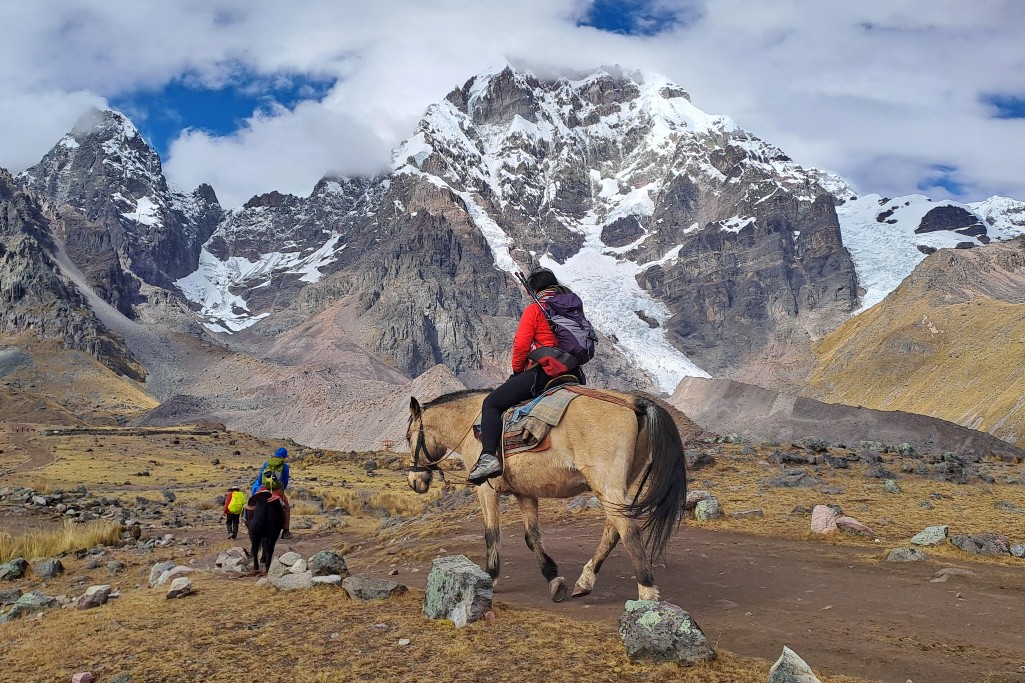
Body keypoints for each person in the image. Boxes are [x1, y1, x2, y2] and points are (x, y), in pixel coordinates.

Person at [469, 268, 585, 485]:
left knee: (492, 403)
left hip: (545, 372)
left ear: (535, 290)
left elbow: (521, 345)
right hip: (576, 373)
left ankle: (488, 458)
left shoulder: (536, 309)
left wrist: (517, 371)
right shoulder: (573, 308)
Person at [251, 447, 293, 539]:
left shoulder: (267, 463)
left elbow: (260, 478)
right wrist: (282, 489)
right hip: (277, 489)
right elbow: (285, 481)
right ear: (284, 456)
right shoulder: (285, 466)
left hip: (263, 487)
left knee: (252, 503)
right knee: (286, 507)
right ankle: (286, 531)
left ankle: (248, 521)